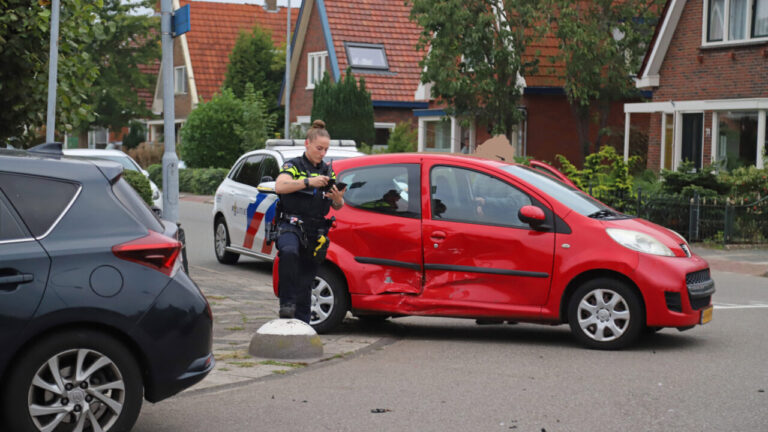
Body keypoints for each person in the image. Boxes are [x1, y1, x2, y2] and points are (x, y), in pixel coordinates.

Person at [274, 120, 345, 322]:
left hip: (315, 231)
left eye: (326, 149)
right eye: (319, 148)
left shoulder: (327, 171)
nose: (323, 153)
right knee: (289, 252)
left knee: (306, 281)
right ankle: (286, 304)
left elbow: (338, 206)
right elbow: (280, 186)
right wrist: (308, 182)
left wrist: (338, 199)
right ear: (307, 144)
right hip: (291, 225)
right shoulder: (294, 165)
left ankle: (303, 324)